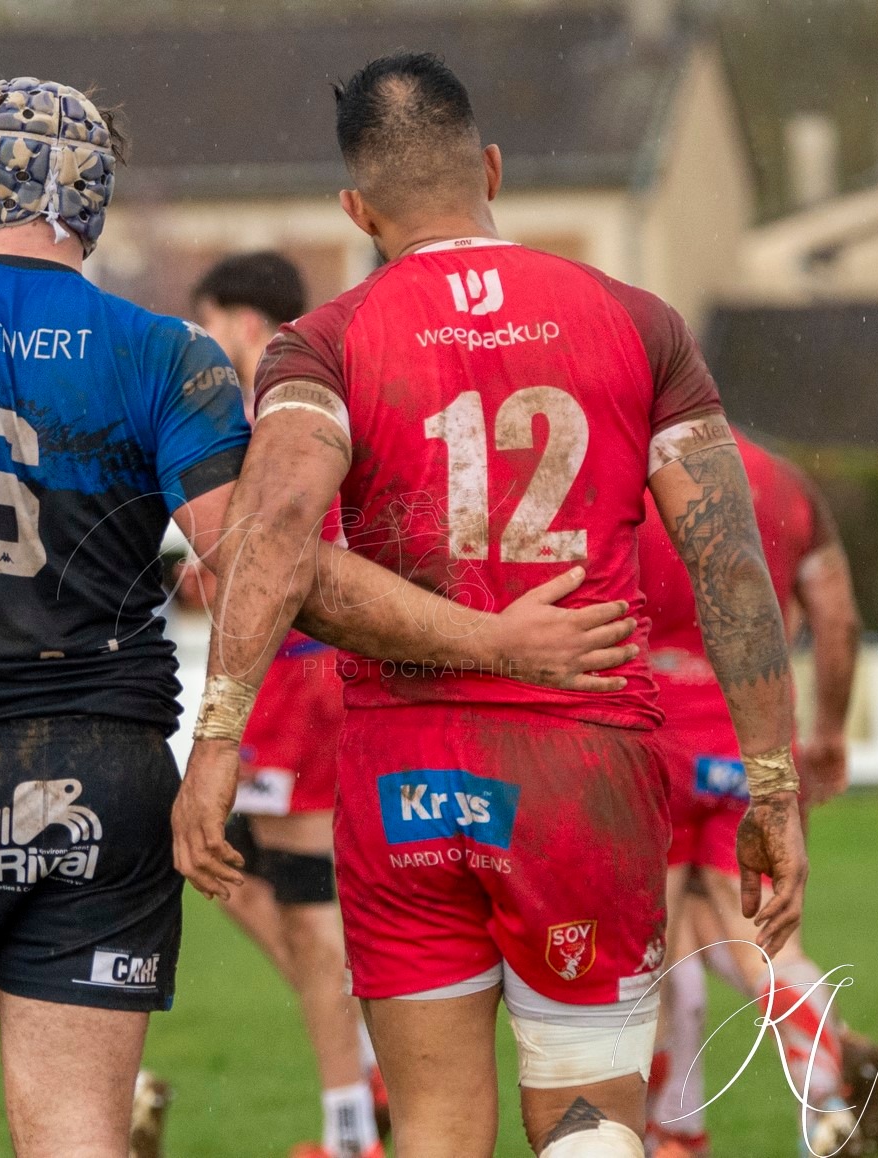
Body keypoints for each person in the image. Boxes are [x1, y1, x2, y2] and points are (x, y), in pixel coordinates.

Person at [0, 75, 638, 1158]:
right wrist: (485, 638)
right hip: (108, 773)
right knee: (80, 1133)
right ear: (91, 209)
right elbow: (268, 569)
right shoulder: (165, 356)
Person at [176, 53, 805, 1158]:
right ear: (494, 171)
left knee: (431, 1127)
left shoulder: (323, 342)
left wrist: (216, 737)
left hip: (404, 770)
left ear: (355, 209)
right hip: (582, 768)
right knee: (588, 1122)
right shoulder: (636, 321)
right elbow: (730, 569)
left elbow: (269, 542)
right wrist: (769, 782)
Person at [638, 435, 878, 1157]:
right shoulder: (782, 483)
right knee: (764, 941)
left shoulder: (629, 476)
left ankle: (674, 1134)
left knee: (652, 952)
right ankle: (824, 1094)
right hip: (747, 742)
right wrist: (827, 735)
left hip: (646, 731)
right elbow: (837, 621)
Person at [189, 252, 385, 1158]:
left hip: (303, 675)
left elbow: (286, 541)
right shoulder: (304, 382)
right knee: (227, 871)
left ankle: (350, 1123)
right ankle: (365, 1064)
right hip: (287, 675)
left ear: (240, 319)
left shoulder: (285, 386)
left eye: (210, 321)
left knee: (307, 914)